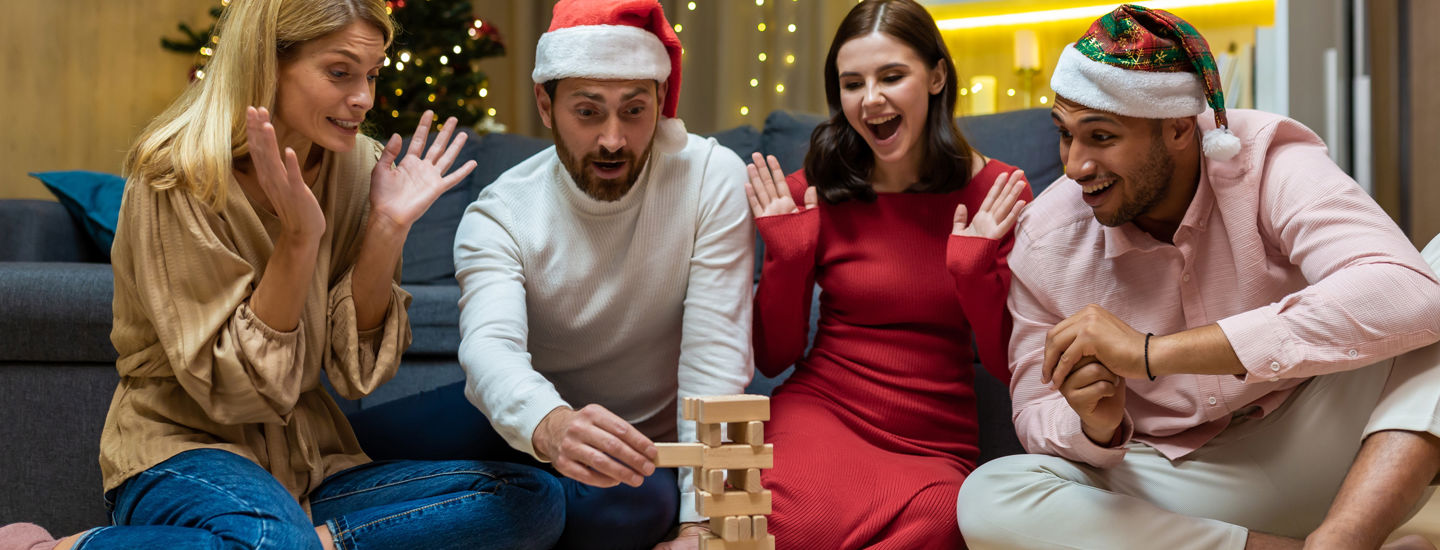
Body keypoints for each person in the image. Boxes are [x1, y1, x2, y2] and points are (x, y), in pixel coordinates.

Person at [0, 1, 565, 549]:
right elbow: (235, 395)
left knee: (530, 497)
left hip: (311, 464)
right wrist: (299, 239)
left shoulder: (361, 168)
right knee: (272, 538)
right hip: (181, 452)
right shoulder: (174, 178)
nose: (363, 99)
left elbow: (355, 374)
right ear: (265, 63)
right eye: (340, 73)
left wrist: (386, 230)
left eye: (371, 75)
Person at [955, 5, 1440, 550]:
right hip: (1177, 477)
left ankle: (1347, 538)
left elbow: (1410, 294)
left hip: (1331, 444)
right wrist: (1094, 425)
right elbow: (1033, 407)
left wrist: (1153, 353)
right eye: (1065, 136)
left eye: (1101, 137)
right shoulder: (1046, 240)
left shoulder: (1264, 161)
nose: (1074, 166)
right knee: (989, 496)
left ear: (1181, 128)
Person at [429, 0, 755, 548]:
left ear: (659, 100)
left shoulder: (710, 179)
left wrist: (702, 524)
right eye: (587, 111)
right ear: (545, 103)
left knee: (634, 507)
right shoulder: (500, 212)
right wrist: (554, 425)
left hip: (639, 456)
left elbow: (714, 361)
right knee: (355, 445)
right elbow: (490, 349)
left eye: (634, 110)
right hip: (528, 427)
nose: (612, 139)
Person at [744, 1, 1030, 547]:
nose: (870, 99)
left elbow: (1008, 362)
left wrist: (974, 274)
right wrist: (787, 256)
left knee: (948, 522)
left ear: (936, 76)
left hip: (932, 439)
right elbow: (774, 356)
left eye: (892, 76)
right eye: (852, 83)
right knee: (780, 521)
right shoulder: (812, 190)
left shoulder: (998, 193)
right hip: (823, 410)